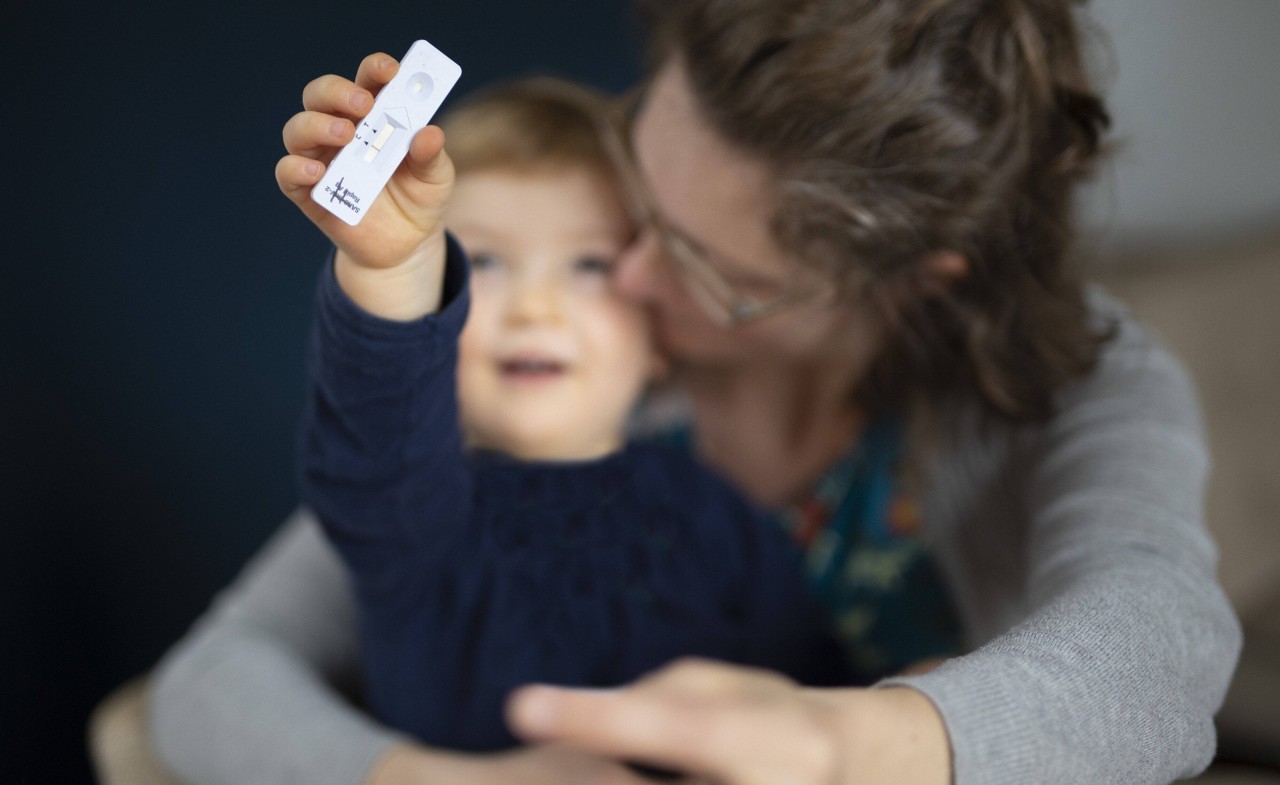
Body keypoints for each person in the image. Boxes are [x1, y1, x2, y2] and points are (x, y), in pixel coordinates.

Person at [150, 0, 1242, 783]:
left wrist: (860, 735)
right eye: (637, 203)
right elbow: (238, 646)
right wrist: (394, 278)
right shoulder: (501, 446)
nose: (623, 278)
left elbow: (1155, 646)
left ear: (910, 278)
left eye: (703, 263)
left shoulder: (722, 516)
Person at [295, 75, 847, 753]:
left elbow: (816, 710)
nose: (536, 307)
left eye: (589, 264)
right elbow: (376, 432)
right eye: (485, 261)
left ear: (656, 333)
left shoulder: (714, 513)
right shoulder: (416, 521)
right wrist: (390, 270)